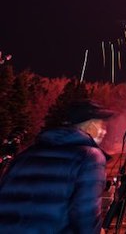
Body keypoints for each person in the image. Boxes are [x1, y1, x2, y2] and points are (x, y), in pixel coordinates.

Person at [0, 98, 113, 234]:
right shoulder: (89, 156)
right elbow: (85, 212)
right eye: (102, 125)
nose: (104, 132)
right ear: (90, 125)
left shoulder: (26, 154)